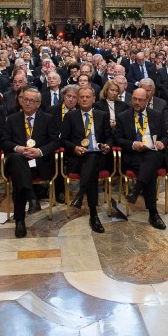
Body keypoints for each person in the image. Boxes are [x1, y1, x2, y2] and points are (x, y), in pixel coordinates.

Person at [1, 87, 59, 238]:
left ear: (38, 104)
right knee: (16, 159)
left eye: (31, 101)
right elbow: (5, 142)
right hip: (18, 161)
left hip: (39, 163)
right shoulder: (12, 119)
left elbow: (54, 142)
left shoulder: (47, 118)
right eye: (24, 99)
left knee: (20, 178)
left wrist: (39, 151)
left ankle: (20, 219)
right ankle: (31, 199)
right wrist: (18, 148)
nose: (27, 103)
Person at [114, 88, 168, 230]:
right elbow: (117, 139)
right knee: (150, 171)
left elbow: (165, 136)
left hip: (154, 152)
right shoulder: (123, 116)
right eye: (134, 99)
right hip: (134, 155)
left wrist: (162, 142)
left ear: (147, 100)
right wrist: (133, 144)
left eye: (140, 100)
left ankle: (136, 189)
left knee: (152, 158)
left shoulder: (156, 115)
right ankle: (153, 213)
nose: (136, 102)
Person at [60, 87, 113, 233]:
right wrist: (75, 147)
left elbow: (109, 137)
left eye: (87, 97)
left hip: (99, 155)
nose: (84, 99)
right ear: (77, 99)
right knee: (91, 165)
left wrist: (108, 145)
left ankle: (81, 193)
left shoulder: (102, 115)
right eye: (81, 97)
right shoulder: (70, 116)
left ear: (93, 99)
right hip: (78, 158)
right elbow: (63, 140)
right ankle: (93, 215)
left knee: (93, 157)